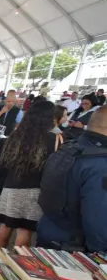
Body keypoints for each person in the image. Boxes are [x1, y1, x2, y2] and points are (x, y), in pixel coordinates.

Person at [37, 106, 107, 252]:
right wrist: (100, 257)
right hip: (76, 249)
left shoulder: (68, 148)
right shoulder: (100, 164)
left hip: (49, 234)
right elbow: (98, 222)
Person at [0, 101, 60, 247]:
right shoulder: (51, 139)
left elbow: (4, 164)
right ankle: (19, 262)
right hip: (35, 189)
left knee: (6, 224)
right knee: (24, 229)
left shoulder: (16, 134)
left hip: (11, 186)